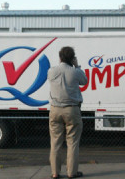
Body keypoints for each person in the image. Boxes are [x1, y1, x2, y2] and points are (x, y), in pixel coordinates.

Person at [47, 46, 88, 179]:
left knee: (55, 142)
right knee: (72, 142)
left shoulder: (52, 71)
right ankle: (72, 172)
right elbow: (84, 81)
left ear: (60, 57)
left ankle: (55, 173)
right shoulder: (75, 72)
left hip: (55, 109)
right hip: (72, 109)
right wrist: (77, 66)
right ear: (72, 58)